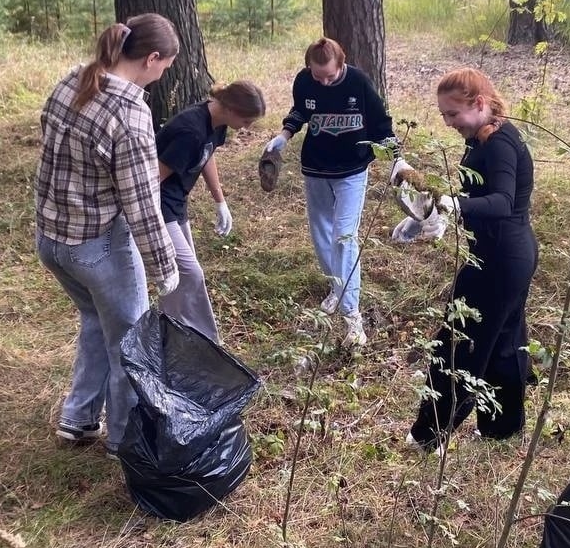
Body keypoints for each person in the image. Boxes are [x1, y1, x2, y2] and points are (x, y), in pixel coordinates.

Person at [35, 15, 181, 453]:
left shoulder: (74, 80)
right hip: (97, 248)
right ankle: (126, 440)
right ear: (151, 58)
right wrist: (165, 268)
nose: (163, 75)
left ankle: (78, 419)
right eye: (165, 66)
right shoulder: (129, 112)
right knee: (130, 343)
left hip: (52, 240)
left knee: (96, 320)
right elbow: (141, 204)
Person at [397, 67, 538, 453]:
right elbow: (479, 196)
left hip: (502, 259)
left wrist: (451, 204)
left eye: (452, 114)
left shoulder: (500, 144)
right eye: (443, 115)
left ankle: (429, 434)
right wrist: (433, 214)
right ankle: (502, 428)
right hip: (501, 254)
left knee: (459, 343)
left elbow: (502, 202)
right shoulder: (481, 138)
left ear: (479, 104)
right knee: (505, 341)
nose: (448, 123)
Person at [264, 37, 397, 345]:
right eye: (317, 76)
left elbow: (381, 124)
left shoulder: (359, 82)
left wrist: (397, 161)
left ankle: (353, 317)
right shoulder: (304, 81)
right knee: (322, 233)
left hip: (352, 171)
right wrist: (282, 137)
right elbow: (299, 112)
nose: (323, 82)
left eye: (330, 76)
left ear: (342, 64)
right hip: (316, 169)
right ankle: (336, 289)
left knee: (344, 237)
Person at [155, 80, 267, 343]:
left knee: (181, 276)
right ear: (230, 108)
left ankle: (177, 335)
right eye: (247, 120)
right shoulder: (189, 131)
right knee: (189, 273)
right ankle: (199, 342)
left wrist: (220, 201)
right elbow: (152, 178)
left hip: (176, 203)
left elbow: (207, 154)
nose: (247, 128)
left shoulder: (214, 122)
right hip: (158, 205)